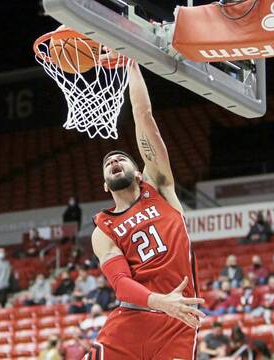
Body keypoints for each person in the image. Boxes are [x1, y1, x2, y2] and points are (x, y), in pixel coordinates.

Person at [89, 62, 205, 359]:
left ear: (140, 173)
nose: (114, 161)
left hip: (177, 321)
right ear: (105, 185)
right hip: (133, 318)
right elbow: (121, 284)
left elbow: (144, 116)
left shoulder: (161, 190)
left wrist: (132, 64)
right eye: (108, 163)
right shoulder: (103, 230)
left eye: (121, 159)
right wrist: (159, 302)